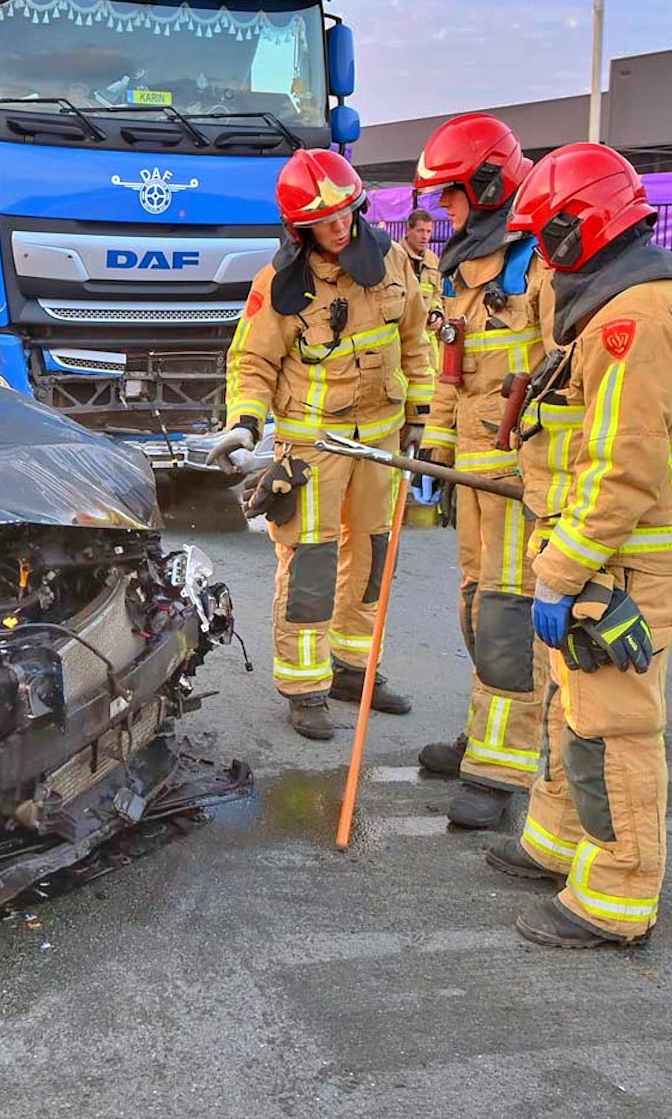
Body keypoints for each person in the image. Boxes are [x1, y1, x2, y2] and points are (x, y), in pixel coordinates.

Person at [483, 142, 672, 949]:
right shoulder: (623, 298)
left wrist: (558, 569)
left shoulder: (629, 321)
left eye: (543, 241)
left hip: (625, 556)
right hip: (607, 550)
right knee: (572, 708)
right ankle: (557, 844)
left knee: (613, 723)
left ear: (579, 229)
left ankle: (617, 899)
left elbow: (622, 467)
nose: (537, 261)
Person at [211, 149, 435, 740]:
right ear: (299, 227)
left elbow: (415, 339)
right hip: (314, 448)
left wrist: (425, 413)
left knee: (371, 558)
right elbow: (253, 362)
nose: (341, 226)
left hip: (382, 442)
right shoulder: (279, 286)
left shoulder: (392, 261)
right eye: (325, 219)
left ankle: (354, 671)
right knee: (310, 563)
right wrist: (245, 423)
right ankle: (305, 686)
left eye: (346, 212)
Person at [408, 114, 548, 829]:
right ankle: (488, 734)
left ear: (489, 185)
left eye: (453, 196)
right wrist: (433, 445)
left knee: (506, 618)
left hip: (522, 483)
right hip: (476, 480)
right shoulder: (462, 265)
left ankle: (501, 770)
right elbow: (451, 366)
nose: (444, 210)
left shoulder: (537, 262)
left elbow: (569, 377)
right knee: (475, 607)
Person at [399, 209, 443, 371]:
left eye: (429, 231)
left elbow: (437, 293)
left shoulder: (433, 260)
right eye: (420, 231)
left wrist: (437, 312)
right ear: (408, 230)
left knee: (430, 383)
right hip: (402, 336)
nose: (425, 236)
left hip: (427, 338)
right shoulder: (395, 256)